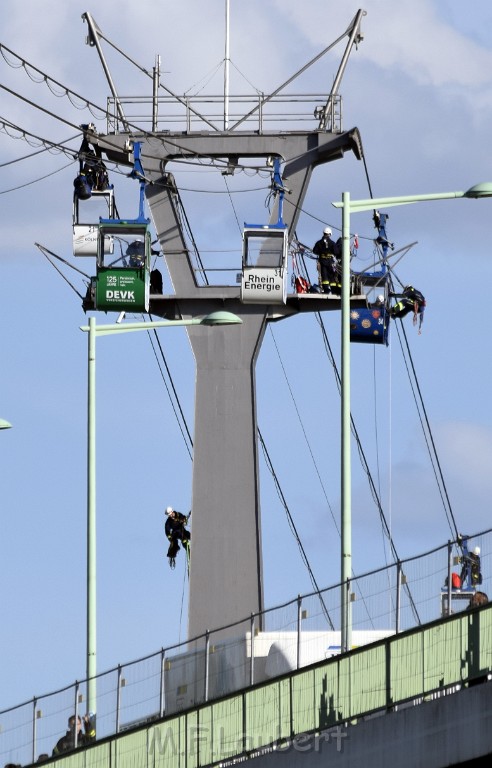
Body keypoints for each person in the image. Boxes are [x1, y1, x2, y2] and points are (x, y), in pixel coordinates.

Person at [313, 227, 341, 294]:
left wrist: (321, 252)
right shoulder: (332, 243)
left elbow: (315, 251)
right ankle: (333, 290)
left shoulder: (319, 243)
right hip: (330, 262)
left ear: (324, 233)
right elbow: (337, 252)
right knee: (332, 277)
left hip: (322, 262)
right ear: (330, 234)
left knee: (324, 276)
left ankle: (326, 290)